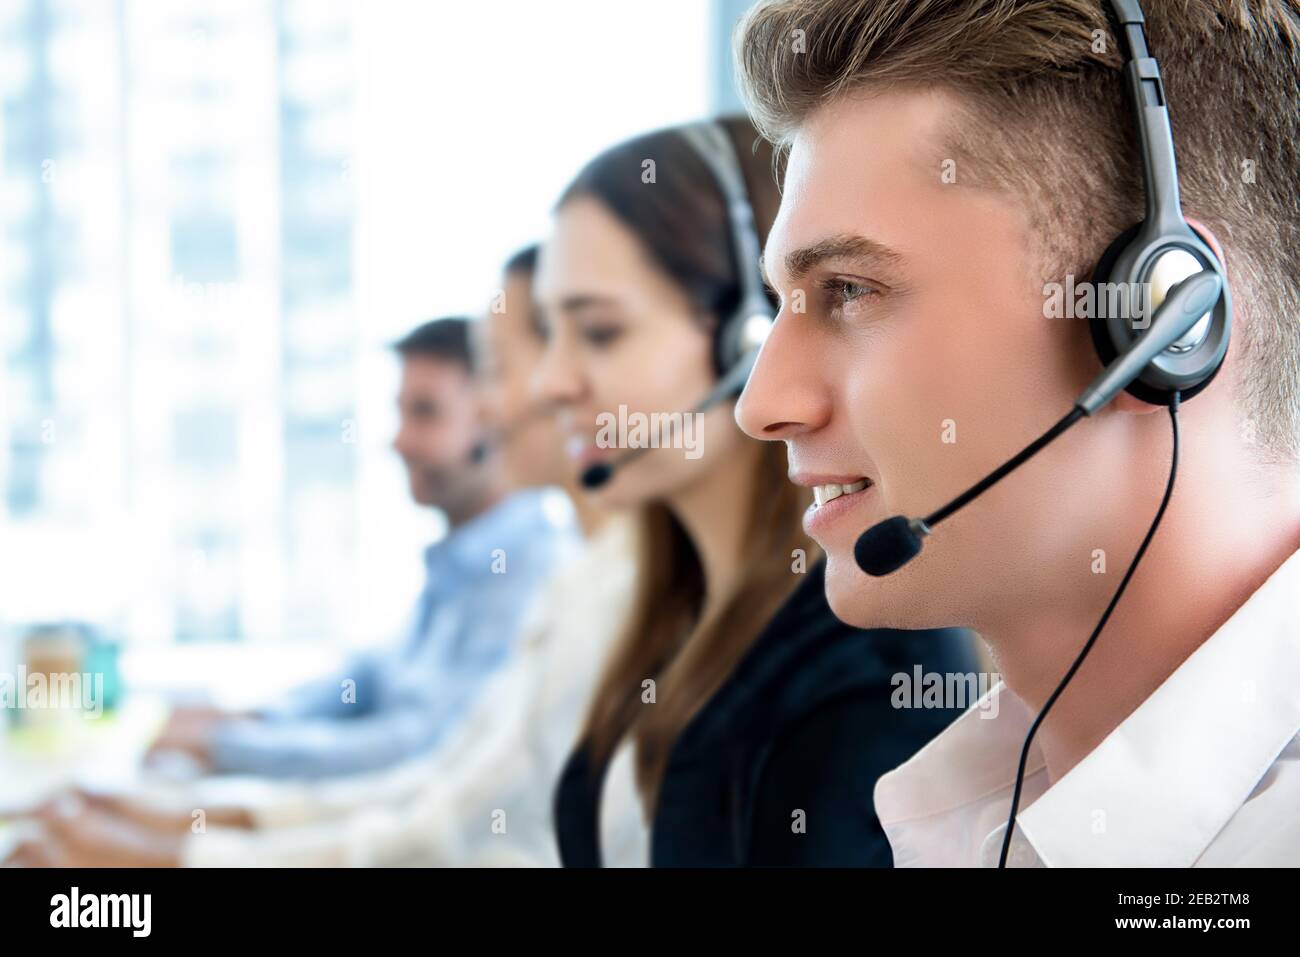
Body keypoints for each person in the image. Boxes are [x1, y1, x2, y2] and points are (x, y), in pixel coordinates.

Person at [732, 0, 1299, 866]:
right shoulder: (972, 811)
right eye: (781, 306)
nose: (762, 402)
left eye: (849, 289)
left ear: (1160, 321)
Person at [9, 249, 640, 868]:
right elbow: (395, 736)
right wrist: (227, 747)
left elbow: (427, 795)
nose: (492, 405)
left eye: (430, 409)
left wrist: (183, 840)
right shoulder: (528, 575)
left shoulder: (547, 580)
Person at [536, 116, 980, 866]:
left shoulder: (869, 668)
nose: (551, 381)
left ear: (749, 337)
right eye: (550, 331)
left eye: (601, 332)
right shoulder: (670, 611)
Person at [148, 316, 576, 780]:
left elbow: (425, 746)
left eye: (426, 413)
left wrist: (226, 748)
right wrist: (254, 719)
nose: (399, 440)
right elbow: (372, 676)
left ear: (490, 417)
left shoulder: (527, 572)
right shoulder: (460, 564)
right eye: (400, 412)